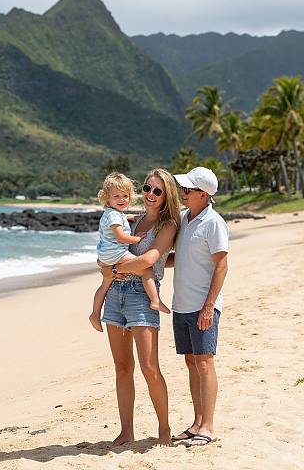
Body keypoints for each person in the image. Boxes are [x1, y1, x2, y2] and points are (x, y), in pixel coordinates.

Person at [99, 168, 182, 446]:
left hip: (142, 296)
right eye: (147, 188)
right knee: (122, 367)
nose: (150, 194)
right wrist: (110, 270)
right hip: (115, 294)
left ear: (166, 195)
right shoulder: (129, 221)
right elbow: (110, 246)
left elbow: (149, 258)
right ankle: (126, 431)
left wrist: (111, 268)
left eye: (157, 191)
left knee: (149, 367)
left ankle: (164, 429)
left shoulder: (167, 225)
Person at [170, 166, 229, 447]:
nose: (183, 193)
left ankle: (208, 426)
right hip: (181, 306)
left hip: (203, 307)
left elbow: (222, 264)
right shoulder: (185, 219)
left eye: (188, 189)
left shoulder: (214, 222)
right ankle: (196, 423)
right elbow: (178, 258)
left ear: (203, 194)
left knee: (204, 363)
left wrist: (209, 306)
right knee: (191, 362)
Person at [90, 172, 170, 332]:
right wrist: (137, 239)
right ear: (107, 198)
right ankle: (155, 300)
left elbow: (116, 222)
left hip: (108, 256)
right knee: (146, 270)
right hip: (116, 253)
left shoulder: (115, 214)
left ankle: (94, 313)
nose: (121, 200)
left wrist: (110, 270)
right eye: (117, 196)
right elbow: (120, 237)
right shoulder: (114, 215)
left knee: (104, 284)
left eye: (125, 196)